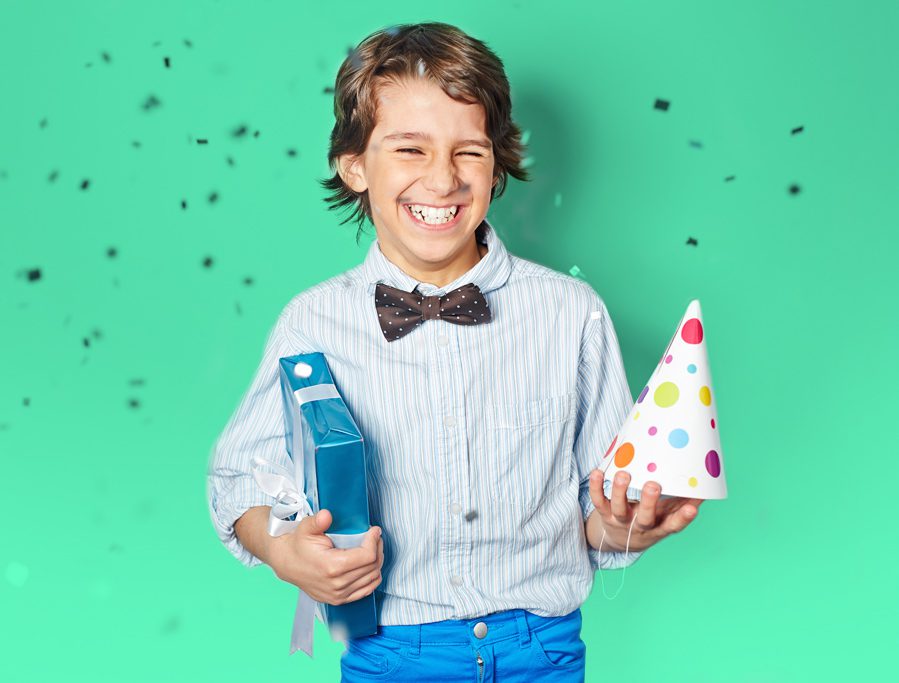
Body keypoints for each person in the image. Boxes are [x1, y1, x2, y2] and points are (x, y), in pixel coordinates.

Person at [206, 21, 702, 682]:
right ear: (354, 165)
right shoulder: (313, 321)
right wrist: (286, 552)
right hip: (391, 651)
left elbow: (596, 516)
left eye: (467, 151)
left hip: (542, 648)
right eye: (409, 149)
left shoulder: (569, 312)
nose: (441, 180)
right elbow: (237, 478)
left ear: (497, 162)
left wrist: (626, 523)